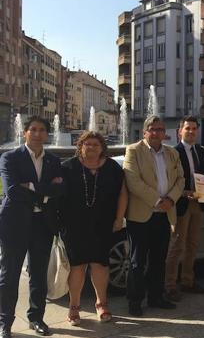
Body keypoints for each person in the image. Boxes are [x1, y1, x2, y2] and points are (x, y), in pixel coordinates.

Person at [0, 116, 64, 338]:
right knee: (9, 275)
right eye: (33, 129)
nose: (38, 134)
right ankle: (4, 322)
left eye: (42, 130)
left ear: (47, 134)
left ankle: (36, 318)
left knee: (38, 275)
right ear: (25, 132)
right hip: (14, 224)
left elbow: (59, 191)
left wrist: (31, 187)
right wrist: (44, 193)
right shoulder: (10, 158)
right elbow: (12, 192)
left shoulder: (54, 161)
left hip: (42, 225)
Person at [60, 131, 127, 325]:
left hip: (103, 224)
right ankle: (74, 307)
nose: (91, 147)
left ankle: (102, 303)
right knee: (77, 266)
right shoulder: (68, 167)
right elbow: (57, 195)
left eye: (95, 144)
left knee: (100, 264)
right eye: (87, 144)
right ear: (80, 146)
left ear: (102, 148)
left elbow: (123, 193)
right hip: (74, 225)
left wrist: (119, 218)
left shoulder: (112, 167)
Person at [123, 115, 185, 316]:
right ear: (145, 132)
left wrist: (171, 200)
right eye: (153, 129)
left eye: (160, 129)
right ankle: (134, 301)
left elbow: (181, 180)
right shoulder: (133, 150)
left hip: (164, 215)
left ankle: (156, 297)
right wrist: (159, 200)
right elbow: (133, 181)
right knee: (137, 262)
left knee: (159, 260)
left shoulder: (172, 152)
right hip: (141, 216)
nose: (157, 133)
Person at [164, 116, 204, 302]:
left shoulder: (201, 151)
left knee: (193, 244)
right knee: (177, 246)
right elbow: (170, 181)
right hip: (181, 204)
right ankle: (169, 285)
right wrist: (184, 193)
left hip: (198, 203)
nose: (191, 131)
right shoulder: (173, 152)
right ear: (180, 132)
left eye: (194, 128)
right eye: (187, 128)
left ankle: (187, 281)